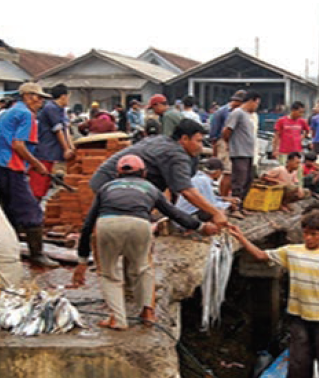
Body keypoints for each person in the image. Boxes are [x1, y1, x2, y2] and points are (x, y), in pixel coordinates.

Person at [73, 155, 218, 330]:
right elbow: (174, 213)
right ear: (144, 173)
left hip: (107, 224)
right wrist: (201, 226)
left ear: (118, 173)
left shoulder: (106, 188)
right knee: (143, 268)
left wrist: (82, 261)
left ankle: (118, 319)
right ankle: (148, 313)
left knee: (109, 274)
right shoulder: (150, 188)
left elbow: (88, 224)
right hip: (139, 225)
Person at [227, 210, 319, 378]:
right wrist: (240, 237)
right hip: (298, 315)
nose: (308, 238)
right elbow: (260, 255)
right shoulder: (291, 251)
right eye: (305, 233)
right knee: (298, 362)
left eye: (314, 234)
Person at [89, 119, 229, 227]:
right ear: (184, 139)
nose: (200, 146)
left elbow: (175, 188)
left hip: (109, 180)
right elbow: (187, 191)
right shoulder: (176, 154)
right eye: (198, 141)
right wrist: (215, 212)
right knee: (130, 224)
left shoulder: (163, 141)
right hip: (113, 183)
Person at [0, 82, 59, 268]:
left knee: (7, 209)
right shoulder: (26, 115)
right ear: (27, 96)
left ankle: (5, 249)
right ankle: (37, 254)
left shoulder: (5, 112)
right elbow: (18, 145)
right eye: (38, 97)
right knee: (31, 211)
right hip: (10, 167)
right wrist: (37, 164)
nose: (40, 102)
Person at [30, 84, 76, 202]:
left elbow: (66, 129)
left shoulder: (61, 110)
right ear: (63, 96)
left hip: (51, 153)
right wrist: (66, 149)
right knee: (38, 186)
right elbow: (58, 130)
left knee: (45, 184)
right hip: (43, 151)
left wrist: (72, 147)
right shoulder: (51, 108)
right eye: (68, 97)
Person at [223, 91, 261, 217]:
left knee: (248, 180)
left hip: (249, 153)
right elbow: (227, 131)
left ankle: (241, 205)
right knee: (238, 181)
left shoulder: (248, 115)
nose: (257, 106)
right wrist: (230, 144)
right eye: (257, 103)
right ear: (252, 101)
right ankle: (234, 208)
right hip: (239, 152)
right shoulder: (237, 113)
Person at [209, 90, 246, 197]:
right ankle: (223, 198)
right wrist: (215, 149)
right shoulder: (222, 112)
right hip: (225, 144)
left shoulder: (240, 112)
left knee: (234, 173)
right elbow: (215, 134)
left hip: (236, 144)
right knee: (227, 173)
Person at [272, 101, 309, 166]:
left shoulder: (302, 121)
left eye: (303, 112)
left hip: (297, 152)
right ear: (293, 110)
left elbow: (307, 130)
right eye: (300, 112)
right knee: (285, 170)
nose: (301, 114)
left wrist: (302, 137)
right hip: (284, 151)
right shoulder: (281, 120)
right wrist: (275, 150)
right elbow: (276, 136)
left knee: (297, 172)